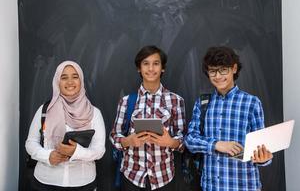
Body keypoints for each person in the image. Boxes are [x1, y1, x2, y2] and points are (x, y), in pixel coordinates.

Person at [184, 46, 273, 191]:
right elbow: (190, 140)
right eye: (212, 71)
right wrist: (217, 144)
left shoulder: (252, 103)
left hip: (244, 185)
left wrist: (264, 159)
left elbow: (261, 146)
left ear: (234, 69)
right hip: (211, 186)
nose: (218, 76)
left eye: (223, 70)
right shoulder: (203, 103)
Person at [110, 45, 185, 191]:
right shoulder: (126, 101)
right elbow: (114, 135)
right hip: (132, 176)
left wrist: (171, 142)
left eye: (156, 63)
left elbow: (183, 139)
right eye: (146, 63)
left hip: (164, 177)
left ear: (162, 68)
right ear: (139, 68)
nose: (151, 69)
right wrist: (127, 140)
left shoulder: (176, 100)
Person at [26, 61, 106, 191]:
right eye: (64, 78)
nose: (70, 82)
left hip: (83, 183)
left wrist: (76, 152)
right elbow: (30, 143)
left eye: (75, 77)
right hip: (45, 182)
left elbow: (99, 150)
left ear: (81, 81)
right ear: (57, 81)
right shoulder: (44, 110)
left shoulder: (94, 113)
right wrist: (48, 156)